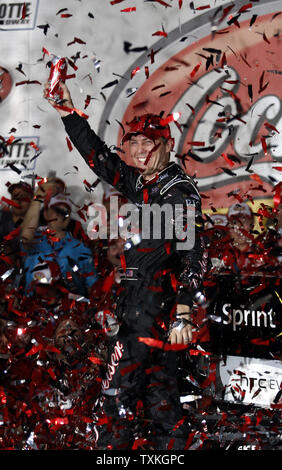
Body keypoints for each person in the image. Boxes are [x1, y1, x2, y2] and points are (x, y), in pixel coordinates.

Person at [44, 82, 210, 450]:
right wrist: (68, 113)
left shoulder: (177, 192)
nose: (138, 150)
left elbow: (195, 253)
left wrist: (183, 310)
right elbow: (101, 160)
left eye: (147, 143)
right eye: (132, 142)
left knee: (116, 396)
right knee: (159, 396)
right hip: (142, 304)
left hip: (153, 308)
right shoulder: (147, 182)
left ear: (167, 145)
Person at [20, 179, 98, 298]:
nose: (61, 215)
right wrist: (38, 197)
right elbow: (26, 237)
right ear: (45, 213)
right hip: (31, 308)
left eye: (66, 212)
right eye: (57, 210)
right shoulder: (35, 240)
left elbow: (93, 287)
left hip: (67, 312)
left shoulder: (80, 249)